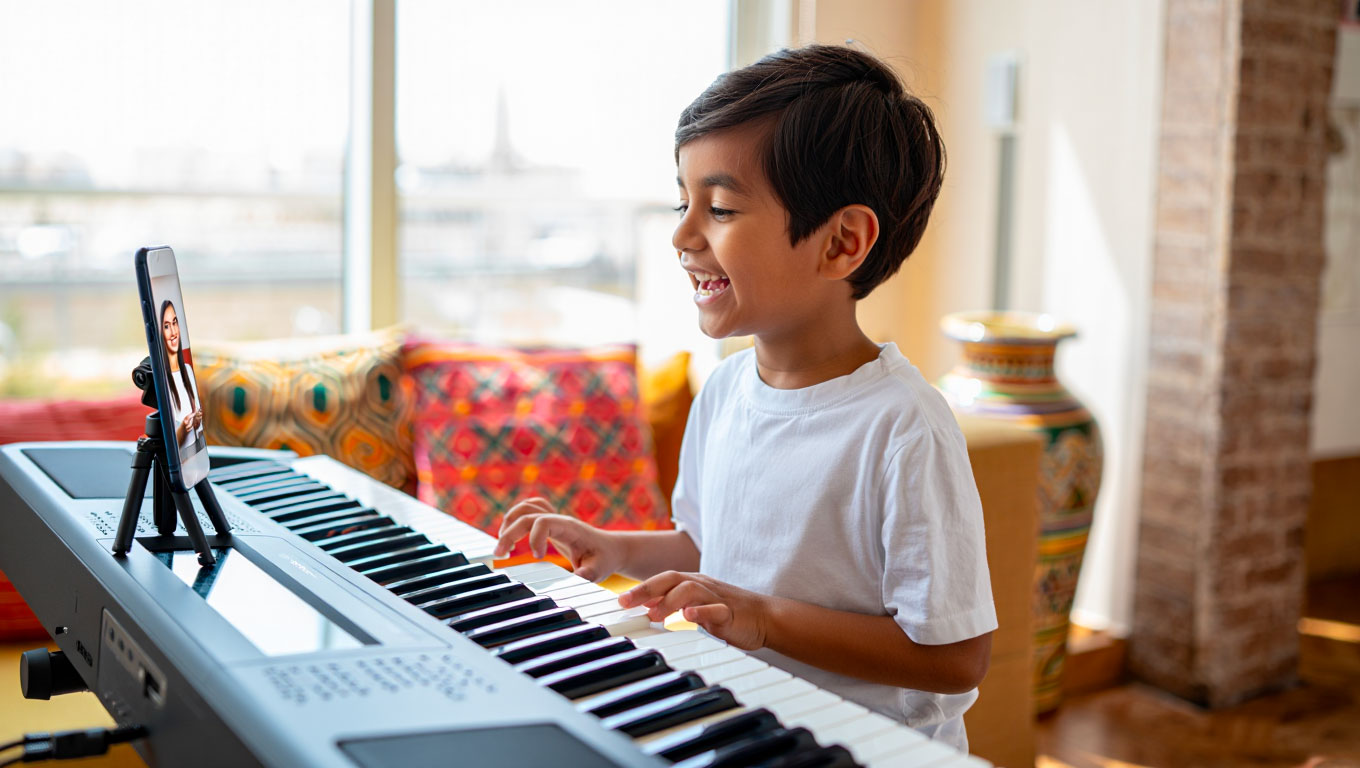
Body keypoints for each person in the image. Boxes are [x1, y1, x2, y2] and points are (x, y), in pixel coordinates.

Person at [493, 44, 995, 749]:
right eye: (683, 199)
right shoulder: (727, 390)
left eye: (721, 207)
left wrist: (764, 618)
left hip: (868, 751)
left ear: (841, 243)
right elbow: (708, 549)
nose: (682, 234)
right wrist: (608, 548)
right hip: (748, 727)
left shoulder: (903, 428)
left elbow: (955, 656)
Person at [160, 300, 204, 455]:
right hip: (182, 457)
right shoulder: (162, 379)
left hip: (195, 452)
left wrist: (196, 421)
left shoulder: (187, 370)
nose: (173, 332)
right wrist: (183, 431)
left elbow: (198, 430)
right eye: (166, 326)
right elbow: (172, 450)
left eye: (175, 323)